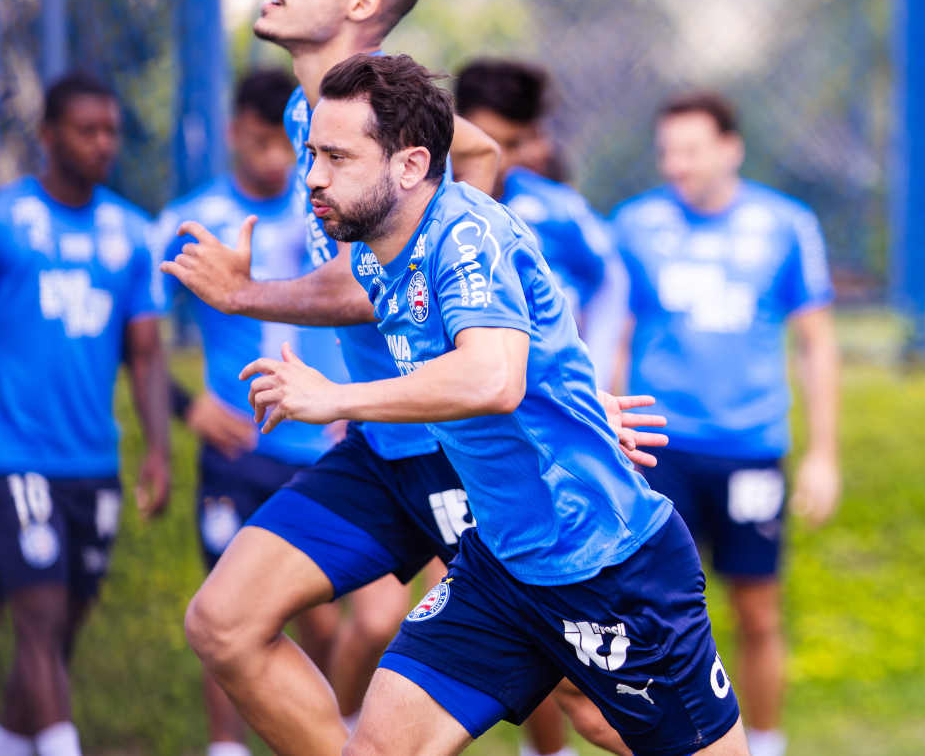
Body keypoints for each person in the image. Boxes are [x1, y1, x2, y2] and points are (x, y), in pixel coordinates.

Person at [164, 0, 646, 756]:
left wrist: (251, 299)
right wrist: (257, 296)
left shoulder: (392, 114)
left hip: (464, 453)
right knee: (224, 623)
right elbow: (392, 254)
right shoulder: (310, 110)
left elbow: (475, 169)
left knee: (594, 702)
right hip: (385, 451)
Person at [239, 52, 750, 756]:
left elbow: (493, 378)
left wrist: (335, 398)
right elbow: (512, 358)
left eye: (336, 157)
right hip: (500, 566)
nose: (314, 177)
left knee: (633, 733)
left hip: (606, 567)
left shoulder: (468, 235)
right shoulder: (379, 246)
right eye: (312, 154)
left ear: (411, 165)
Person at [0, 73, 170, 756]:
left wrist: (156, 449)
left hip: (92, 461)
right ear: (46, 136)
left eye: (111, 132)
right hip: (9, 457)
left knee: (57, 633)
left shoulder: (132, 231)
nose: (102, 144)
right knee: (32, 623)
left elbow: (149, 355)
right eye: (85, 130)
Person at [610, 92, 842, 756]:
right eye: (667, 151)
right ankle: (665, 741)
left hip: (750, 450)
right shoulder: (632, 225)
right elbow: (614, 338)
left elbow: (816, 343)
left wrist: (824, 454)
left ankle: (764, 744)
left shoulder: (786, 224)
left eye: (692, 149)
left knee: (757, 611)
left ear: (730, 148)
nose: (676, 164)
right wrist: (611, 433)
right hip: (658, 448)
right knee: (652, 612)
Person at [155, 69, 361, 756]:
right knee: (230, 613)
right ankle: (226, 747)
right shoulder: (192, 217)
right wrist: (189, 409)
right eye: (263, 140)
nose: (278, 158)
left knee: (322, 624)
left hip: (322, 451)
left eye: (290, 145)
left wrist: (354, 403)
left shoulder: (330, 210)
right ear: (236, 132)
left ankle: (316, 739)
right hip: (238, 448)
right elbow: (138, 331)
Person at [455, 58, 629, 391]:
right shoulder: (426, 206)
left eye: (513, 144)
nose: (499, 157)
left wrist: (599, 380)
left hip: (549, 400)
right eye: (489, 140)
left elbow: (610, 282)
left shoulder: (558, 209)